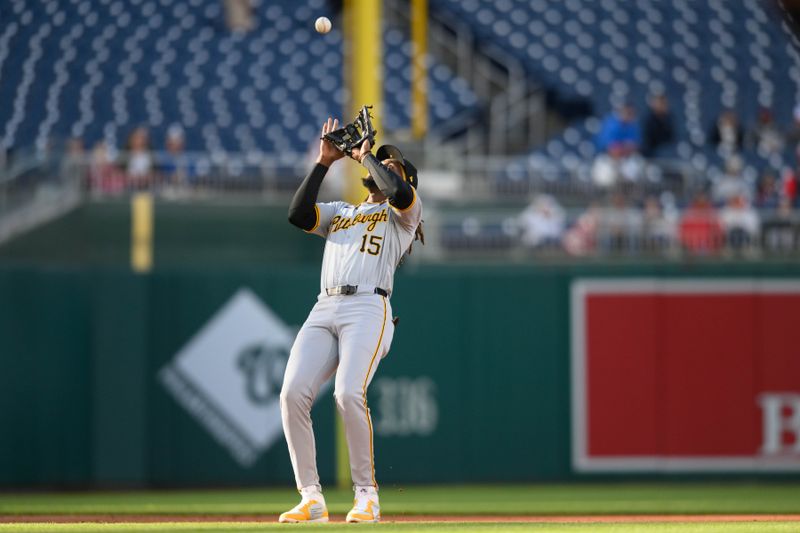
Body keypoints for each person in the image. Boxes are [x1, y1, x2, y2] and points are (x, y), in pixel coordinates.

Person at [279, 117, 423, 524]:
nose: (382, 167)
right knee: (291, 394)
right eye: (381, 163)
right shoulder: (342, 211)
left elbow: (398, 191)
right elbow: (297, 214)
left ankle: (366, 497)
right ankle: (311, 498)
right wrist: (324, 162)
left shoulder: (404, 215)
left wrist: (364, 157)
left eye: (391, 164)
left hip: (368, 306)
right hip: (324, 306)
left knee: (347, 393)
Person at [641, 93, 674, 157]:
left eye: (664, 103)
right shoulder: (648, 118)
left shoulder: (669, 118)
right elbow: (647, 140)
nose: (663, 106)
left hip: (665, 149)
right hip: (650, 151)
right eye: (661, 103)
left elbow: (671, 137)